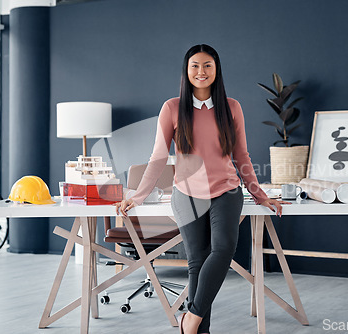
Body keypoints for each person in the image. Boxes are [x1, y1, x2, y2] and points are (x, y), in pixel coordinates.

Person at [115, 44, 288, 334]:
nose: (201, 71)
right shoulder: (172, 108)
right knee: (196, 261)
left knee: (222, 250)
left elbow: (242, 155)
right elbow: (158, 156)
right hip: (186, 194)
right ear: (186, 71)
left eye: (207, 65)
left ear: (216, 69)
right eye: (195, 65)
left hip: (226, 191)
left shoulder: (232, 107)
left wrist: (259, 194)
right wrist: (138, 195)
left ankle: (190, 319)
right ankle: (199, 330)